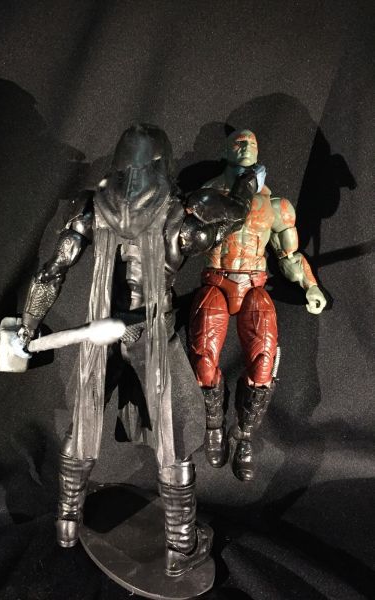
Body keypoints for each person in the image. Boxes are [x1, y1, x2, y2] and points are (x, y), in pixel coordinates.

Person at [14, 124, 257, 576]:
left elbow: (52, 271)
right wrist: (245, 186)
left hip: (101, 335)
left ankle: (67, 523)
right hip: (151, 335)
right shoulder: (181, 216)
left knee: (83, 423)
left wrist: (28, 326)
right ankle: (180, 547)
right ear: (163, 165)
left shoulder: (91, 209)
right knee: (175, 437)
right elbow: (235, 218)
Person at [189, 129, 327, 481]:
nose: (246, 146)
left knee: (264, 362)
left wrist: (310, 285)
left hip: (254, 283)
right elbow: (179, 241)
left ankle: (244, 434)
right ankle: (214, 425)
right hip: (216, 281)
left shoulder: (275, 206)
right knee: (203, 358)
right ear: (225, 150)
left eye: (252, 142)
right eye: (239, 142)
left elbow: (289, 255)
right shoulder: (205, 196)